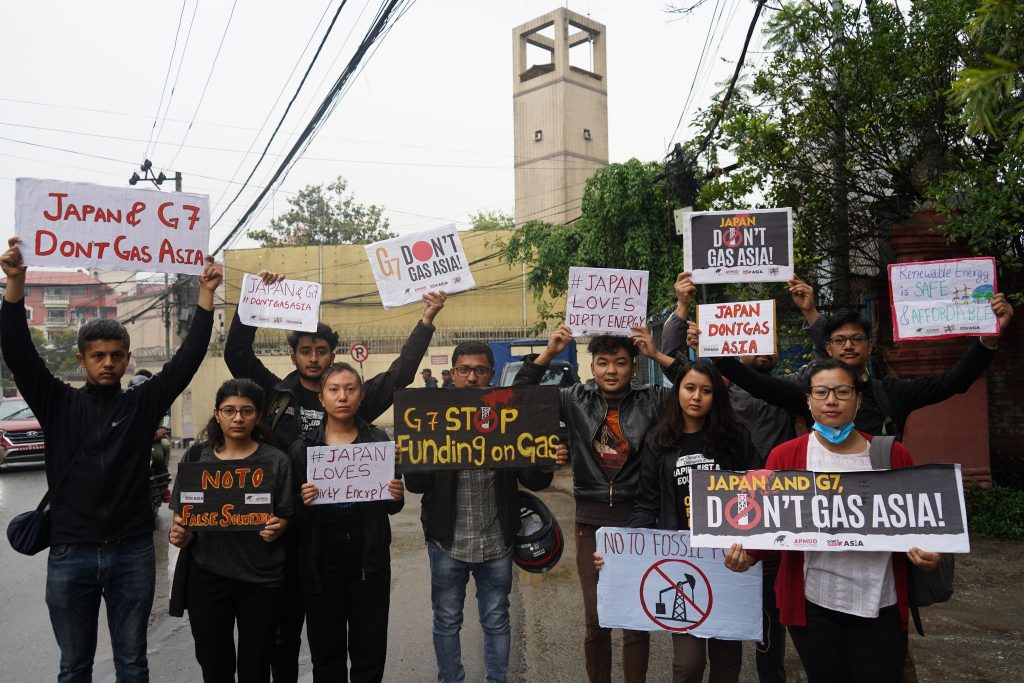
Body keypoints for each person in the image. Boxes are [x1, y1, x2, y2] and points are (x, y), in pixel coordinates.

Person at [0, 236, 221, 682]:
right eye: (98, 356)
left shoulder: (141, 405)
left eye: (116, 357)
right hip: (70, 552)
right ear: (81, 359)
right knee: (73, 667)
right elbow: (19, 354)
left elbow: (186, 362)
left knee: (133, 665)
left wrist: (206, 297)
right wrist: (15, 285)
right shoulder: (57, 403)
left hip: (132, 550)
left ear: (126, 361)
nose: (107, 363)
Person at [224, 271, 444, 683]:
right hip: (287, 541)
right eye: (305, 350)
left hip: (350, 547)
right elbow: (237, 354)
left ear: (335, 362)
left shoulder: (359, 412)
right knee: (285, 636)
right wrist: (254, 298)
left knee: (361, 641)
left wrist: (426, 320)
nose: (313, 357)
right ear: (293, 357)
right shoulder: (277, 396)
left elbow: (399, 373)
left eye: (321, 350)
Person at [723, 359, 942, 683]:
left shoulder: (893, 455)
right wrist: (746, 555)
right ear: (808, 400)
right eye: (821, 392)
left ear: (857, 398)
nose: (831, 400)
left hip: (881, 603)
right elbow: (770, 526)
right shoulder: (784, 457)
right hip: (813, 606)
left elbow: (918, 524)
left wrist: (929, 554)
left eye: (842, 391)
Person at [514, 318, 686, 683]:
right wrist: (550, 351)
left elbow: (694, 384)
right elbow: (522, 394)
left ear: (633, 365)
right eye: (604, 363)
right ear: (591, 367)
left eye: (621, 362)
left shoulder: (653, 399)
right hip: (591, 522)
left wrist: (658, 352)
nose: (612, 370)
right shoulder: (573, 398)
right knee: (597, 620)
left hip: (641, 522)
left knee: (635, 620)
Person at [662, 272, 794, 683]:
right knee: (698, 657)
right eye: (691, 390)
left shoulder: (788, 390)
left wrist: (752, 533)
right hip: (692, 547)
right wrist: (682, 308)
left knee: (761, 633)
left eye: (767, 342)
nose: (697, 397)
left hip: (755, 534)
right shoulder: (716, 397)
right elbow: (680, 367)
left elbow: (757, 479)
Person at [596, 361, 756, 682]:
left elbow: (756, 492)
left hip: (728, 562)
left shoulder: (735, 438)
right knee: (688, 664)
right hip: (682, 563)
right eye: (689, 388)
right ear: (677, 392)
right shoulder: (660, 440)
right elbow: (646, 503)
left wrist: (750, 545)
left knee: (727, 663)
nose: (696, 397)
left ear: (717, 397)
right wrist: (618, 551)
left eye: (706, 391)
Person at [405, 341, 555, 683]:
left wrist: (546, 463)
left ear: (492, 374)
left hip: (496, 541)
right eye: (464, 370)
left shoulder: (506, 417)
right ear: (453, 374)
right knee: (446, 620)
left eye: (481, 370)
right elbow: (416, 485)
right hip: (448, 543)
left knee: (497, 620)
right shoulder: (433, 416)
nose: (472, 377)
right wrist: (411, 456)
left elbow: (531, 477)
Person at [703, 276, 1014, 438]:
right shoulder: (806, 392)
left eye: (856, 339)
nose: (848, 345)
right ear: (829, 349)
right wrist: (717, 352)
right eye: (840, 340)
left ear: (870, 347)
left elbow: (951, 383)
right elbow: (758, 385)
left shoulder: (891, 394)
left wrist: (987, 340)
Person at [168, 379, 294, 683]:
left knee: (256, 666)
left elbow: (287, 514)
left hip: (262, 579)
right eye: (229, 410)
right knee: (214, 666)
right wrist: (180, 536)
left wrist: (278, 528)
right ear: (217, 413)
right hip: (208, 576)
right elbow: (181, 519)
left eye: (246, 411)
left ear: (258, 416)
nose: (238, 418)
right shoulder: (195, 458)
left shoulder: (276, 460)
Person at [290, 362, 404, 682]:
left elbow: (393, 507)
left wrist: (395, 494)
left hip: (369, 560)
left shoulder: (378, 441)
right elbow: (291, 515)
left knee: (369, 650)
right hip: (321, 563)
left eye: (350, 389)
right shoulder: (303, 450)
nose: (343, 397)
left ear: (361, 396)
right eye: (334, 390)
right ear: (322, 399)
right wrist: (303, 501)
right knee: (327, 652)